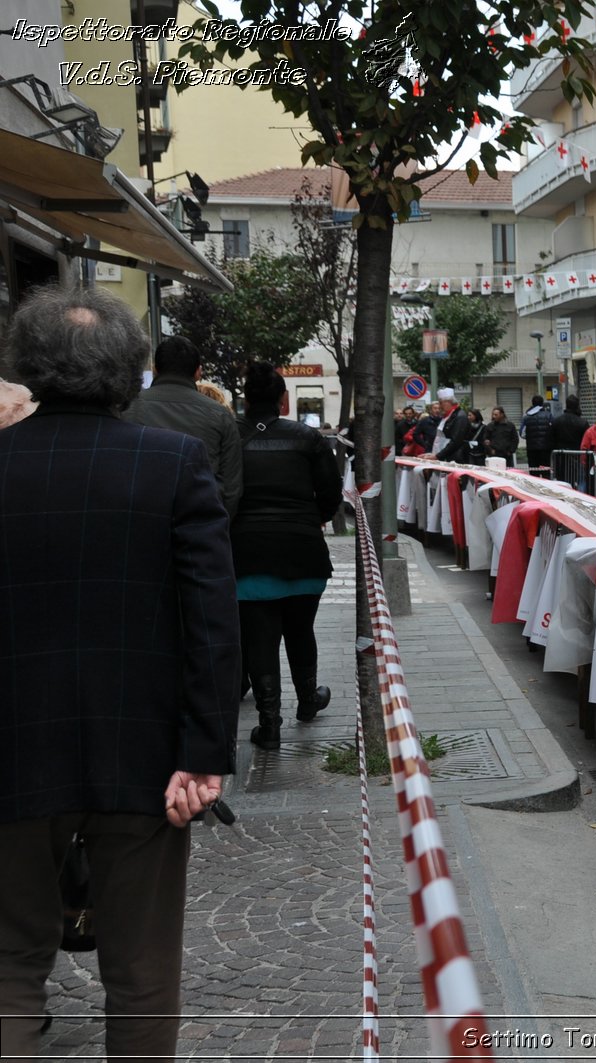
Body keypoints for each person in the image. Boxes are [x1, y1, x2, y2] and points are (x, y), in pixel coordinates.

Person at [0, 285, 240, 1060]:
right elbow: (211, 618)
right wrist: (205, 751)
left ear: (28, 367)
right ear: (127, 369)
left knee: (8, 961)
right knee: (140, 970)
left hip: (9, 747)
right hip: (143, 754)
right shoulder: (172, 462)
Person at [235, 362, 343, 749]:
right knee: (301, 629)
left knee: (259, 638)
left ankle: (269, 724)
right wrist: (315, 518)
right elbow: (331, 492)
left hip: (247, 552)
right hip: (302, 550)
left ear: (246, 400)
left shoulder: (230, 437)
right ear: (283, 400)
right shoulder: (307, 438)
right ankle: (308, 700)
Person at [124, 334, 244, 517]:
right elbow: (231, 486)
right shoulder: (220, 415)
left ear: (155, 370)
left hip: (139, 517)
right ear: (198, 372)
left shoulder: (127, 408)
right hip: (199, 518)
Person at [433, 388, 471, 462]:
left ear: (448, 402)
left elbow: (456, 441)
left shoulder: (460, 417)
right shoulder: (449, 416)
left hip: (456, 458)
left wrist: (438, 456)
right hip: (446, 455)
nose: (440, 406)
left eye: (441, 403)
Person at [521, 395, 554, 472]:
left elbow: (522, 434)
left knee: (534, 473)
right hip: (545, 449)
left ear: (532, 403)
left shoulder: (526, 416)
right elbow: (553, 430)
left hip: (532, 449)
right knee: (546, 472)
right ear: (542, 403)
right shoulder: (548, 415)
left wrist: (531, 437)